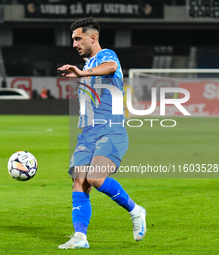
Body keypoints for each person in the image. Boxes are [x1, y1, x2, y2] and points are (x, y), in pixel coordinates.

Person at [57, 17, 146, 249]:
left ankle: (136, 211)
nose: (75, 44)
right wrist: (83, 73)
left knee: (95, 178)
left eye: (78, 38)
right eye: (73, 39)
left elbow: (111, 68)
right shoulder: (87, 67)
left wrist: (82, 74)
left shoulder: (106, 55)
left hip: (111, 130)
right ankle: (80, 237)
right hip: (87, 133)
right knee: (79, 181)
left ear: (92, 37)